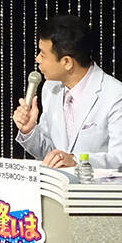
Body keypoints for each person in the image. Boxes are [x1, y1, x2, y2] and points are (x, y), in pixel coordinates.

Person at [13, 14, 122, 170]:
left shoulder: (115, 95)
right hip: (58, 185)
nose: (37, 59)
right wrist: (29, 130)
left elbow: (118, 159)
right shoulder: (50, 88)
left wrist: (76, 161)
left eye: (43, 54)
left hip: (96, 185)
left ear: (67, 62)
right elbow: (51, 155)